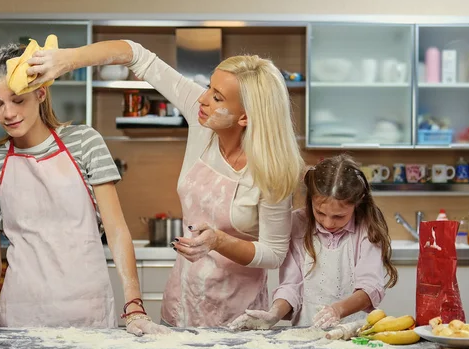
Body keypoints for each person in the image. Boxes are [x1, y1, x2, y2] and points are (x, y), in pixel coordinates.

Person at [25, 39, 304, 327]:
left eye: (217, 97)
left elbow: (274, 253)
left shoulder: (272, 172)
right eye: (209, 86)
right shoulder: (202, 124)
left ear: (245, 117)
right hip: (180, 308)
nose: (203, 99)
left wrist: (219, 241)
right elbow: (137, 54)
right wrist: (68, 59)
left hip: (238, 321)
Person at [0, 42, 168, 336]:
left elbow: (116, 231)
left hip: (88, 315)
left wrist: (134, 305)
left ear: (40, 92)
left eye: (17, 100)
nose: (7, 114)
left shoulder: (85, 143)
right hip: (22, 318)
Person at [229, 154, 398, 330]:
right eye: (320, 213)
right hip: (305, 333)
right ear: (310, 199)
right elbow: (291, 286)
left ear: (358, 202)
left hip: (355, 333)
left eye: (339, 216)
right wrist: (274, 314)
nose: (328, 223)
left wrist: (337, 310)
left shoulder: (367, 229)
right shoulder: (297, 225)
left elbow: (370, 287)